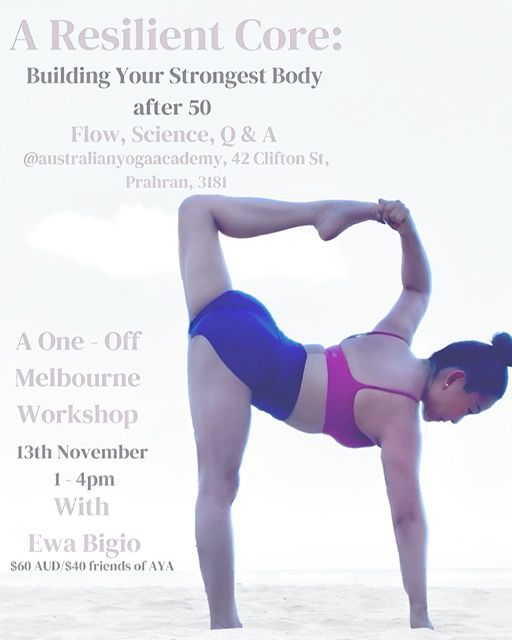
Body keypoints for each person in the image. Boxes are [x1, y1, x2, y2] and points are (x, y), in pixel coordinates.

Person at [178, 194, 512, 630]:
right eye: (470, 409)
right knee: (217, 490)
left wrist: (404, 228)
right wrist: (420, 616)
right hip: (244, 358)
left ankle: (315, 211)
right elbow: (407, 519)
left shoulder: (394, 337)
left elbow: (418, 289)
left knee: (198, 210)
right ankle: (224, 626)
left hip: (247, 317)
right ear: (453, 379)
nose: (455, 421)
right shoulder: (400, 417)